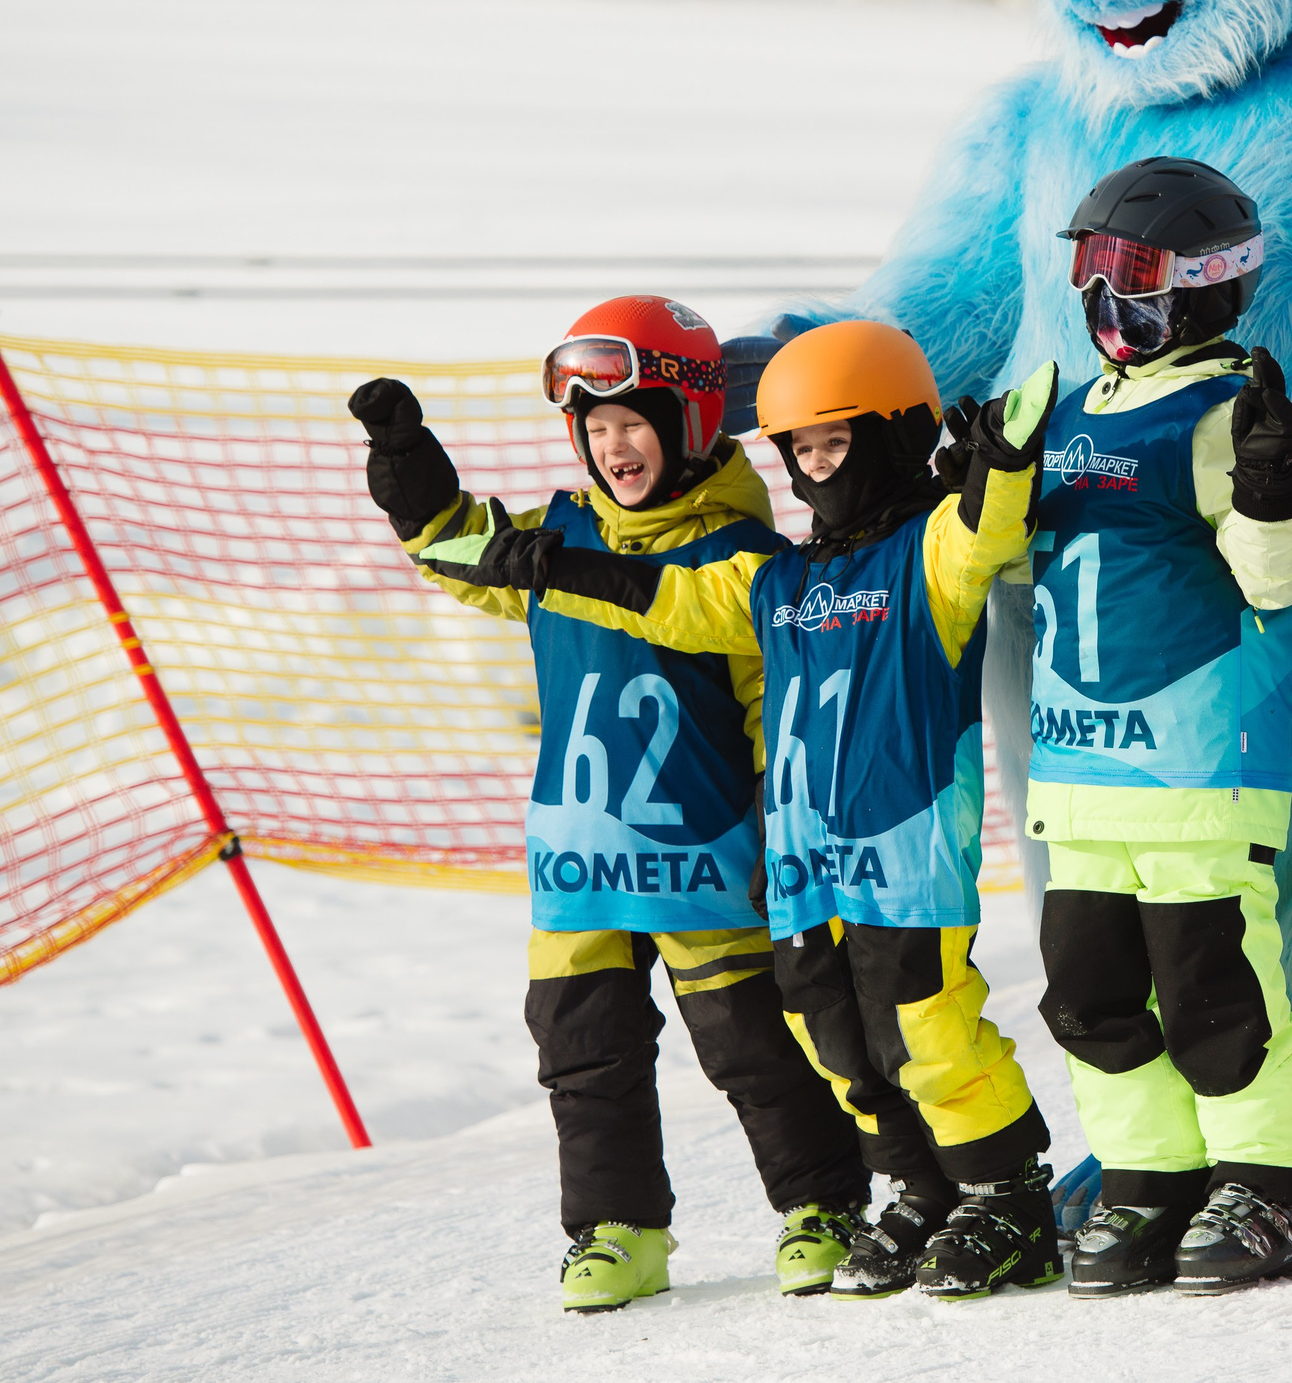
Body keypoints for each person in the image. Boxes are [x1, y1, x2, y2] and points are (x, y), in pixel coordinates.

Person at [417, 321, 1067, 1302]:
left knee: (926, 1021)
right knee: (830, 1035)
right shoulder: (779, 577)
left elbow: (986, 535)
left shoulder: (924, 551)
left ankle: (1006, 1190)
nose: (814, 468)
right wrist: (559, 566)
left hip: (900, 841)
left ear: (890, 437)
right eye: (798, 449)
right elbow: (671, 598)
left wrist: (1001, 467)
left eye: (834, 444)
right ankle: (923, 1182)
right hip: (805, 857)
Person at [347, 295, 869, 1313]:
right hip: (580, 854)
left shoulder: (739, 552)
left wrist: (781, 824)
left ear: (690, 425)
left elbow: (775, 707)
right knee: (583, 1049)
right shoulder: (560, 528)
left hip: (704, 849)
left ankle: (822, 1203)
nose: (612, 444)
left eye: (632, 421)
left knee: (753, 1043)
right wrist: (416, 488)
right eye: (593, 426)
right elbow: (469, 559)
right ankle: (616, 1228)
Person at [1024, 159, 1292, 1298]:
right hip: (1080, 770)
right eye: (1094, 271)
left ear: (1207, 287)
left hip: (1198, 766)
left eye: (1137, 276)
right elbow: (1019, 566)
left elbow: (1285, 580)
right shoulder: (1062, 410)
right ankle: (1148, 1175)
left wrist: (1268, 491)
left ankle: (1278, 1178)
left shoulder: (1224, 411)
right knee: (1087, 992)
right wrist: (974, 486)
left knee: (1216, 988)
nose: (1108, 303)